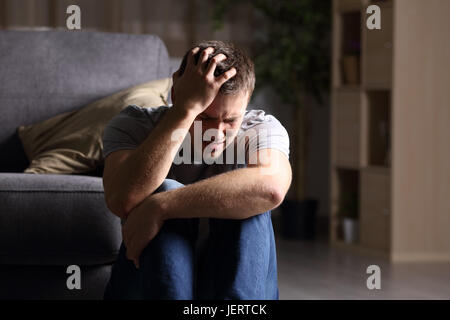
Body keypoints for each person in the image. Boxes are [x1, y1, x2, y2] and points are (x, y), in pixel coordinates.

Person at [102, 40, 292, 300]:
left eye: (231, 120)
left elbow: (270, 189)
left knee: (251, 200)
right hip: (147, 285)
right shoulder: (134, 124)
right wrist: (184, 110)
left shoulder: (260, 128)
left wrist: (160, 206)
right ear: (176, 92)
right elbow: (121, 199)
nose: (217, 132)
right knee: (165, 184)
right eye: (204, 116)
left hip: (229, 288)